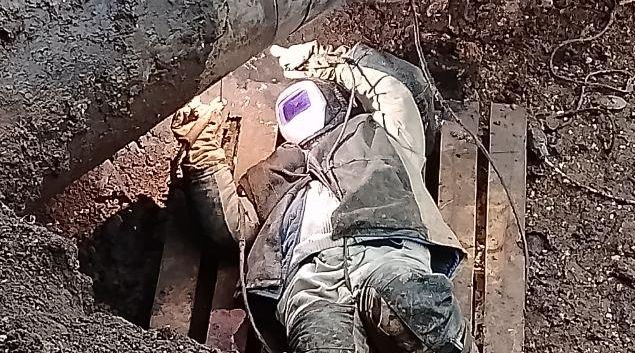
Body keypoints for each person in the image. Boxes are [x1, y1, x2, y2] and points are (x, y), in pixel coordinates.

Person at [171, 42, 472, 353]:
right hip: (311, 284)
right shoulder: (273, 172)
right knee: (320, 343)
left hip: (388, 253)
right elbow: (231, 228)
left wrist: (326, 62)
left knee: (421, 311)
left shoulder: (383, 132)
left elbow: (395, 90)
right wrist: (202, 149)